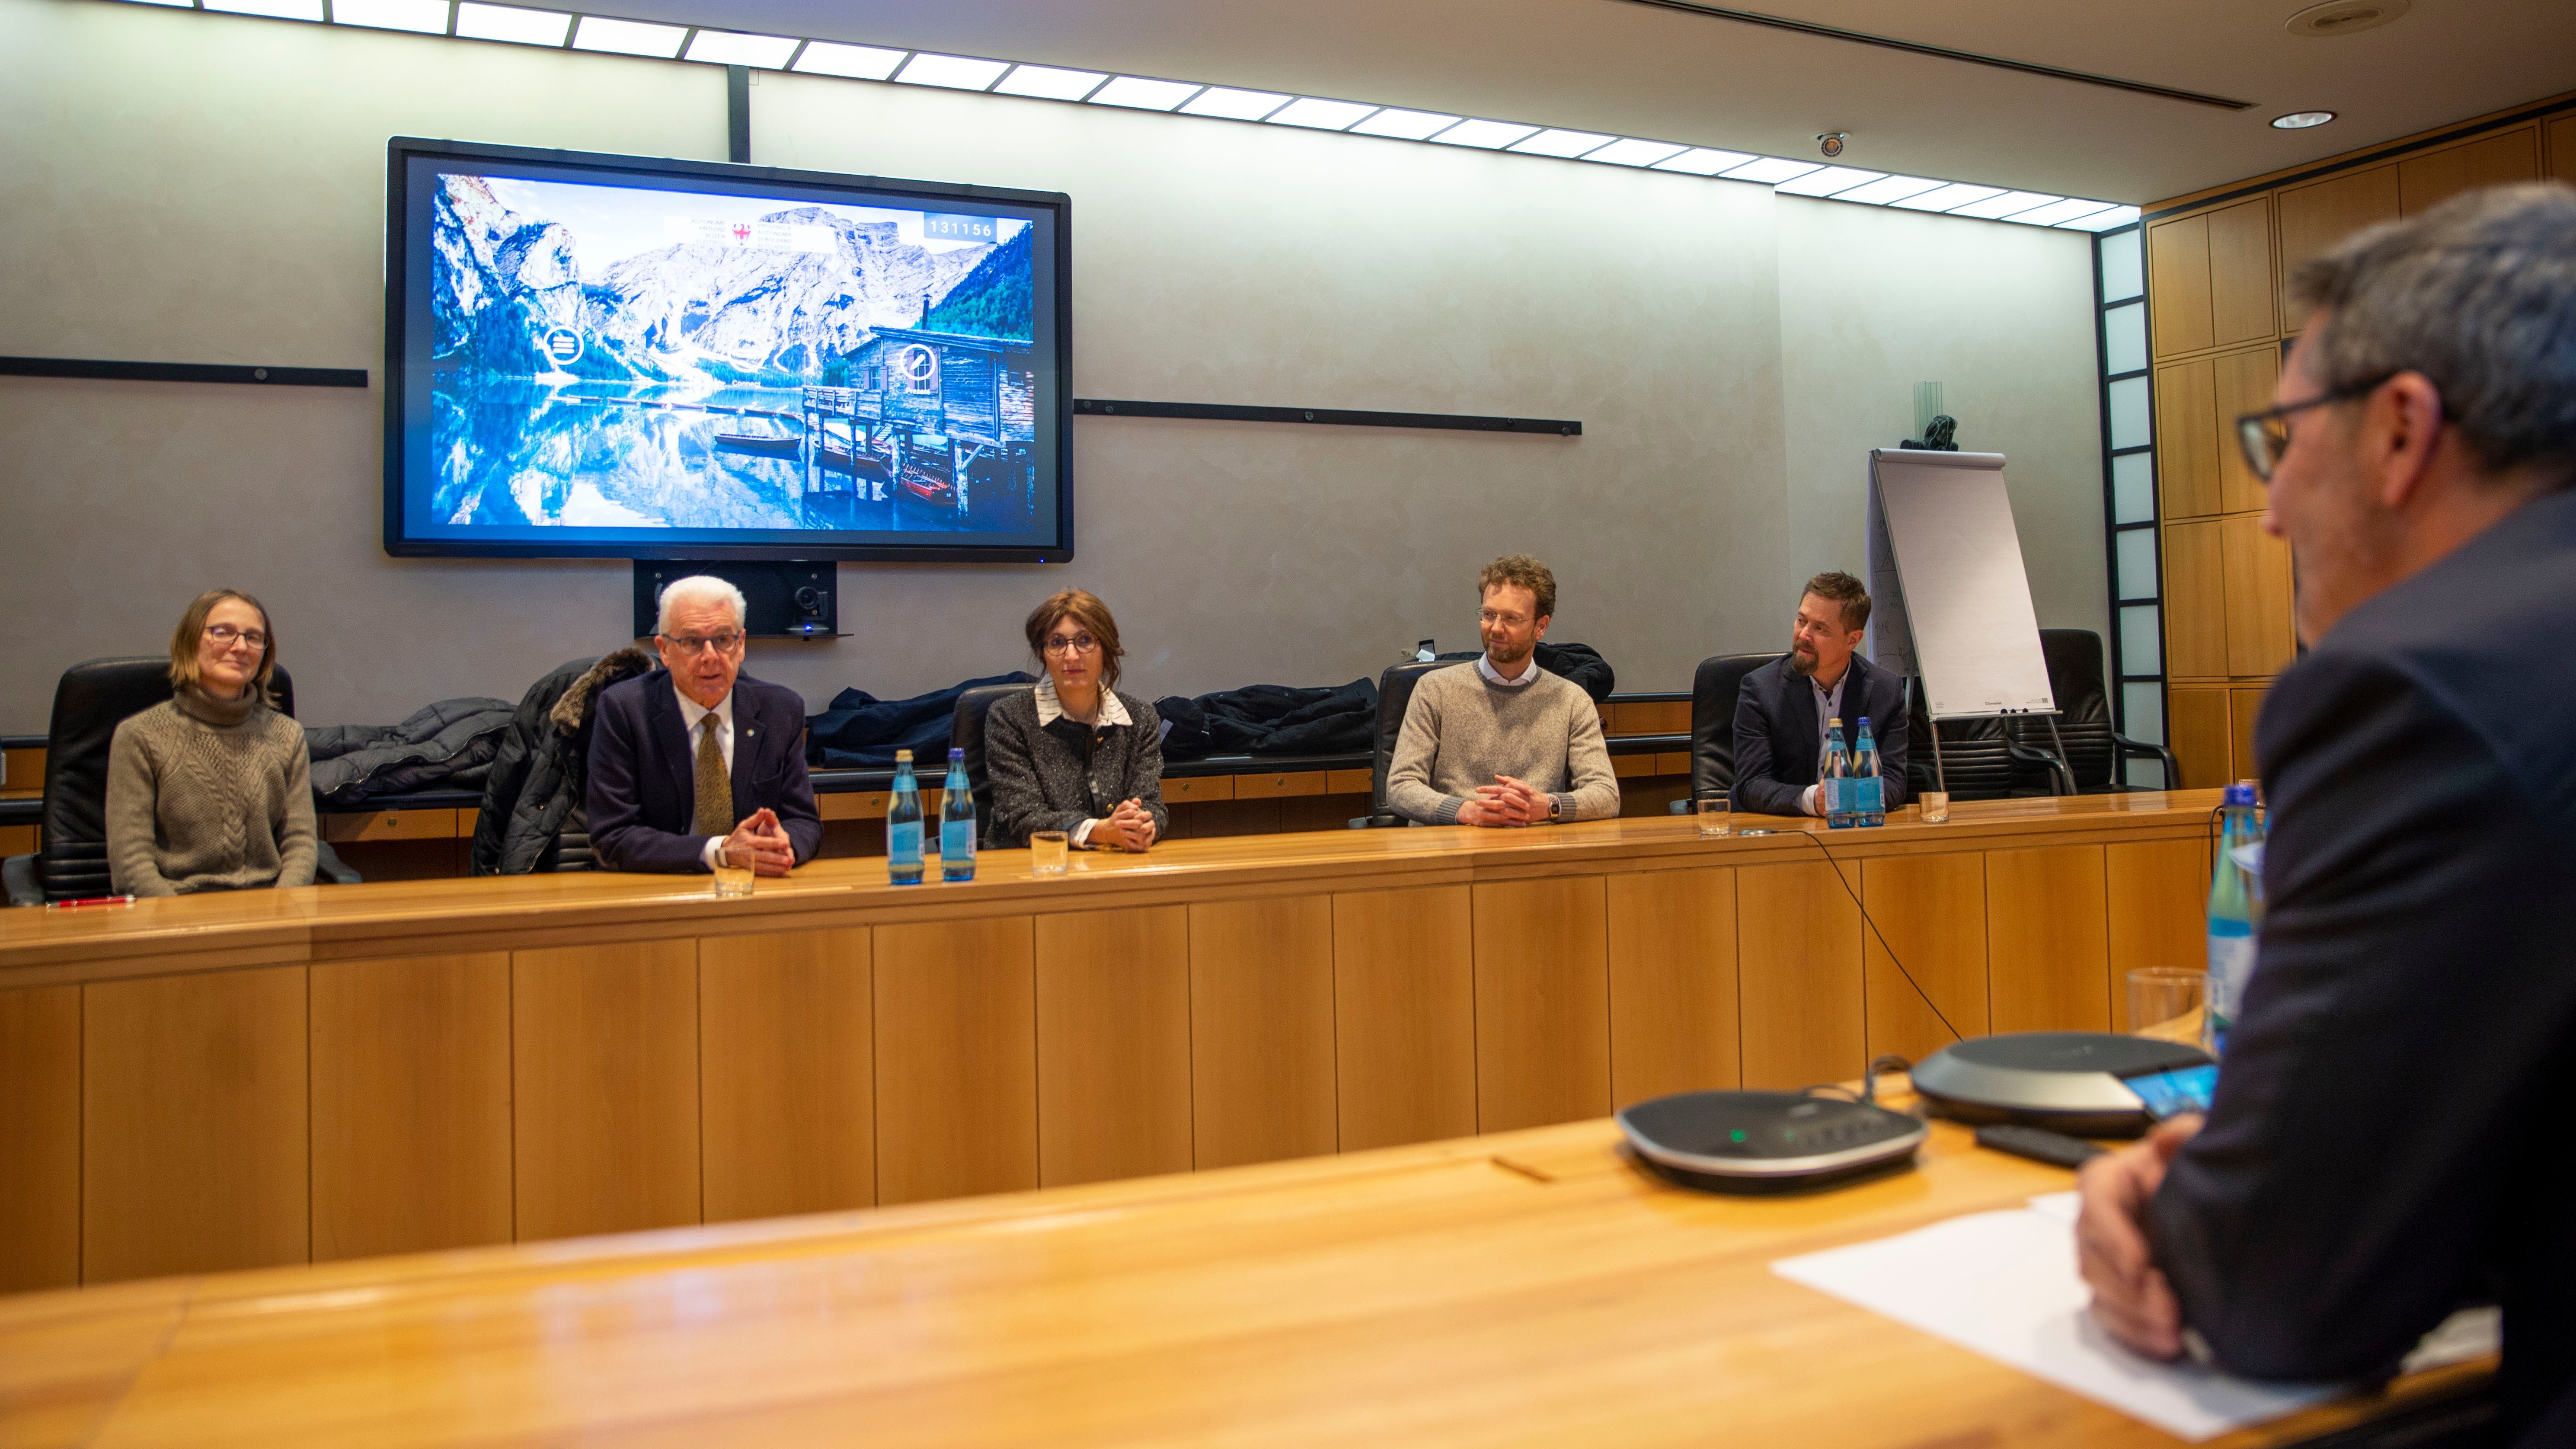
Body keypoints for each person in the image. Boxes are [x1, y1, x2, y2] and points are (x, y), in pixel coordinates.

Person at [2075, 183, 2576, 1447]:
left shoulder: (2421, 684)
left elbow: (2274, 1289)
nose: (2270, 508)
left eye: (2282, 439)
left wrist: (2181, 1199)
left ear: (2403, 430)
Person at [587, 576, 822, 875]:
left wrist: (782, 845)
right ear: (665, 651)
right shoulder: (625, 710)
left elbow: (804, 821)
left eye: (724, 640)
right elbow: (613, 836)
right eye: (692, 642)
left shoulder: (781, 710)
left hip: (751, 891)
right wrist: (723, 851)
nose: (710, 657)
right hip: (656, 892)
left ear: (741, 646)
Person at [105, 589, 319, 896]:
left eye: (254, 637)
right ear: (191, 641)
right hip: (174, 916)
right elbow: (131, 863)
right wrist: (183, 926)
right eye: (224, 633)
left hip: (269, 910)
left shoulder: (287, 735)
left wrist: (279, 914)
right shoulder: (140, 735)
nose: (241, 646)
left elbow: (301, 844)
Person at [1386, 555, 1619, 827]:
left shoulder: (1572, 700)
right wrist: (1466, 811)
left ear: (1541, 627)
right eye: (1489, 615)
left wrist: (1548, 806)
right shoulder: (1434, 690)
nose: (1496, 628)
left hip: (1534, 848)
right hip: (1452, 846)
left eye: (1511, 618)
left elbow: (1606, 795)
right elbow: (1401, 786)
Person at [984, 589, 1167, 850]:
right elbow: (1023, 818)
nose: (1071, 656)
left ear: (1106, 648)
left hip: (1113, 866)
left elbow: (1152, 804)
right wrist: (1102, 831)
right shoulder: (1009, 718)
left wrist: (1144, 824)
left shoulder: (1140, 718)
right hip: (1028, 871)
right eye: (1057, 643)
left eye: (1085, 640)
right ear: (1043, 654)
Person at [1730, 571, 1909, 816]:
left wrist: (1844, 799)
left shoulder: (1885, 692)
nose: (1804, 635)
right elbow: (1752, 785)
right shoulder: (1760, 689)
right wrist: (1815, 800)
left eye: (1820, 628)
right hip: (1781, 830)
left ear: (1852, 640)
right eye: (1801, 621)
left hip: (1853, 831)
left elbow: (1893, 782)